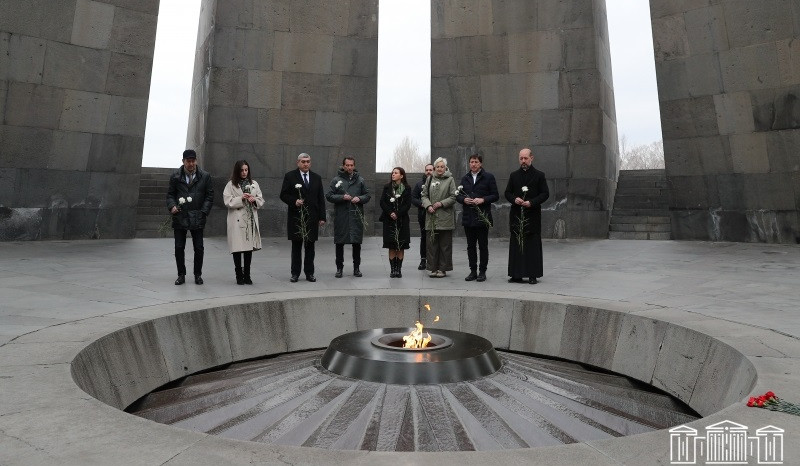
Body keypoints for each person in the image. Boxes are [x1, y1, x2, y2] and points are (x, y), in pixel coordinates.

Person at [166, 149, 214, 285]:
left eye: (193, 161)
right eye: (188, 161)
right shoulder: (175, 176)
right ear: (183, 161)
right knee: (179, 247)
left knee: (199, 248)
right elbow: (170, 195)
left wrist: (203, 212)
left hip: (197, 216)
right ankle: (181, 275)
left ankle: (198, 275)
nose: (191, 164)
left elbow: (209, 196)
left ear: (196, 161)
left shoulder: (205, 176)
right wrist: (172, 206)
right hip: (180, 216)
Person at [279, 153, 326, 282]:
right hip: (296, 217)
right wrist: (294, 201)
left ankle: (309, 273)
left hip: (312, 217)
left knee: (310, 247)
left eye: (308, 161)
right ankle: (295, 273)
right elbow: (283, 195)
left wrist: (322, 217)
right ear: (298, 162)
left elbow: (321, 199)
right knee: (296, 247)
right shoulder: (290, 176)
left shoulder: (316, 178)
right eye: (303, 161)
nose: (306, 164)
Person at [505, 148, 549, 284]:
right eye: (521, 158)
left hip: (532, 215)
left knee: (532, 246)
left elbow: (545, 194)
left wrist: (532, 202)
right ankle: (516, 274)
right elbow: (507, 193)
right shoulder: (514, 175)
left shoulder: (539, 175)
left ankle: (532, 274)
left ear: (531, 158)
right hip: (517, 215)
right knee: (516, 245)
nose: (523, 161)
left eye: (525, 158)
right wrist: (514, 199)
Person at [456, 153, 499, 282]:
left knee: (483, 246)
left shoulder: (488, 177)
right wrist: (463, 199)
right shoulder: (465, 178)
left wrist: (483, 199)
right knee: (470, 246)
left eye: (476, 162)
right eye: (471, 162)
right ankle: (473, 271)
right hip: (468, 218)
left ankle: (482, 271)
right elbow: (458, 196)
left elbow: (495, 195)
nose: (473, 164)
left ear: (481, 163)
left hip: (482, 217)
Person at [325, 156, 371, 278]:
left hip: (355, 216)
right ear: (343, 165)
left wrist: (359, 198)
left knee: (356, 244)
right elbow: (329, 195)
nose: (349, 167)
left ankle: (357, 268)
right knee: (339, 243)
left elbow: (367, 195)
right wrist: (342, 197)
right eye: (347, 165)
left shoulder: (360, 180)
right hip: (342, 216)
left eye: (351, 165)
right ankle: (339, 269)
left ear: (354, 166)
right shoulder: (336, 180)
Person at [223, 160, 264, 285]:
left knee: (248, 249)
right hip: (236, 219)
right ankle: (238, 275)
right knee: (237, 248)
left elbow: (261, 200)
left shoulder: (254, 184)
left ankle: (247, 274)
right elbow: (227, 201)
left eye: (246, 170)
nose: (244, 172)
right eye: (241, 170)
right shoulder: (231, 184)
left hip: (249, 219)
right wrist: (240, 198)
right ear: (237, 171)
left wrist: (254, 200)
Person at [421, 157, 456, 278]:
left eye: (442, 167)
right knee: (431, 245)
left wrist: (441, 203)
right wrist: (428, 205)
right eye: (437, 167)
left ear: (445, 168)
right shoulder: (430, 179)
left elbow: (453, 197)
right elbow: (424, 195)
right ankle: (433, 268)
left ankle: (443, 269)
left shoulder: (450, 179)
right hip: (431, 216)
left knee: (445, 245)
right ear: (434, 168)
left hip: (445, 217)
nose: (440, 169)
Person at [379, 167, 412, 277]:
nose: (393, 174)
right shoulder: (387, 187)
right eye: (392, 172)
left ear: (401, 176)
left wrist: (397, 213)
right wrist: (390, 213)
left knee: (401, 246)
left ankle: (399, 269)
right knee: (392, 246)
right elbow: (382, 202)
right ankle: (393, 270)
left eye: (396, 173)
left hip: (402, 220)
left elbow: (407, 204)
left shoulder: (407, 188)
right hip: (389, 220)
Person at [411, 163, 434, 270]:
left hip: (436, 214)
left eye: (430, 170)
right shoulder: (419, 184)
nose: (428, 172)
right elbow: (413, 198)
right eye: (427, 170)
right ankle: (423, 260)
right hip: (423, 215)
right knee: (424, 237)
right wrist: (423, 204)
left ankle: (433, 260)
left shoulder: (438, 183)